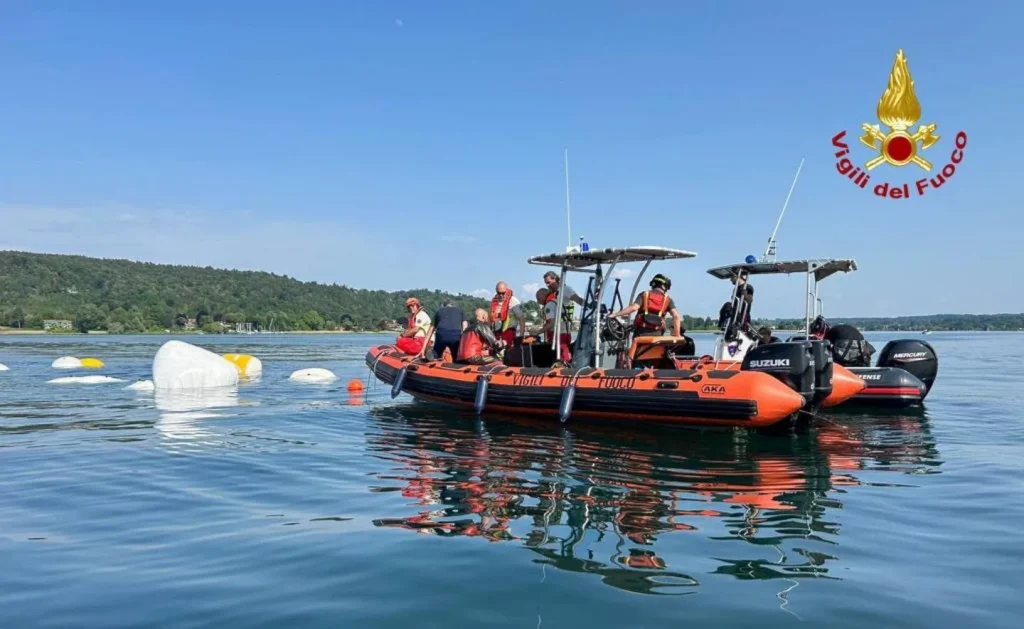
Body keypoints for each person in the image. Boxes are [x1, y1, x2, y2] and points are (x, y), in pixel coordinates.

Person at [608, 273, 682, 337]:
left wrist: (615, 314)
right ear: (664, 287)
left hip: (641, 334)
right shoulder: (668, 300)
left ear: (653, 284)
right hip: (657, 335)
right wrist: (677, 334)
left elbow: (633, 308)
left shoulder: (644, 295)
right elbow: (676, 316)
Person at [490, 281, 521, 349]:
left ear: (506, 290)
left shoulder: (514, 301)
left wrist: (520, 337)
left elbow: (522, 320)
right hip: (497, 333)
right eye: (499, 293)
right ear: (496, 291)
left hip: (510, 332)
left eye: (503, 293)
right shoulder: (494, 302)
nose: (501, 295)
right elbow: (492, 320)